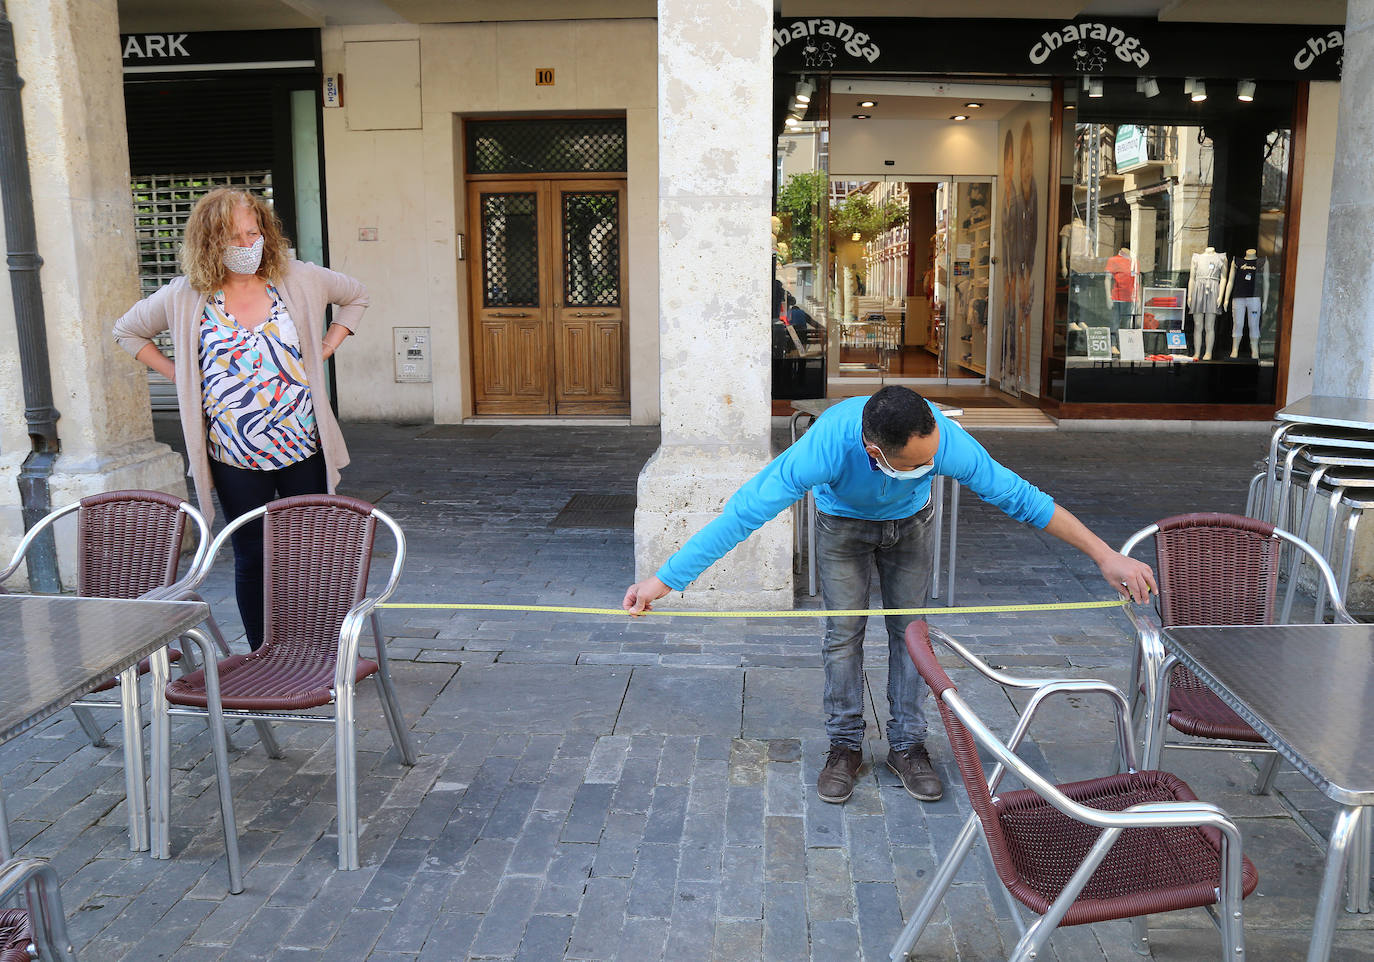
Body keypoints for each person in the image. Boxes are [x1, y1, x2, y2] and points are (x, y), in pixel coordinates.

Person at [623, 387, 1156, 805]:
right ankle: (844, 747)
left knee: (911, 636)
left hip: (911, 529)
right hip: (841, 532)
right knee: (842, 637)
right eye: (916, 464)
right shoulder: (827, 444)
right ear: (875, 452)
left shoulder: (945, 440)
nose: (930, 466)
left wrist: (1105, 554)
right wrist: (662, 581)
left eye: (932, 459)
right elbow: (744, 514)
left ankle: (907, 745)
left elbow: (1024, 500)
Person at [113, 188, 368, 650]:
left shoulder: (298, 279)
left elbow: (356, 296)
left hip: (302, 445)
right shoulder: (186, 295)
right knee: (252, 556)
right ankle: (264, 653)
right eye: (234, 236)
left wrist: (328, 347)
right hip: (234, 454)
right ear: (210, 241)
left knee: (311, 553)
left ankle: (320, 650)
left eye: (254, 232)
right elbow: (127, 330)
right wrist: (181, 375)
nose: (247, 244)